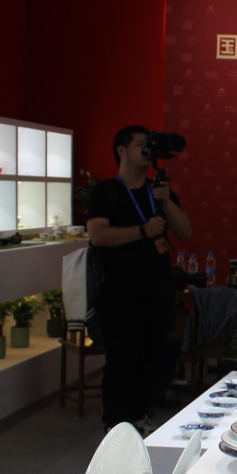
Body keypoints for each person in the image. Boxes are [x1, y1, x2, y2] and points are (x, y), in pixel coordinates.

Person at [86, 125, 193, 433]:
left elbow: (185, 231)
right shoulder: (106, 192)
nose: (147, 150)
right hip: (119, 294)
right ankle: (115, 425)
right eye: (140, 144)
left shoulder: (158, 191)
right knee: (122, 361)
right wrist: (142, 231)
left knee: (150, 357)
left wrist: (166, 202)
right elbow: (98, 235)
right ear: (121, 150)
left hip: (157, 291)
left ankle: (139, 416)